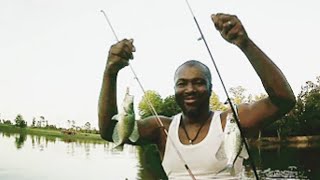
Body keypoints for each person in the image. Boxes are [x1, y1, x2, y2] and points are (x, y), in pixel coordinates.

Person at [98, 13, 296, 179]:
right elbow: (110, 131)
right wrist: (110, 72)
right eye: (182, 83)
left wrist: (245, 43)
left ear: (211, 88)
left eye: (199, 82)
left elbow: (283, 101)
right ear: (174, 90)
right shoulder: (161, 129)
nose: (190, 89)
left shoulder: (230, 121)